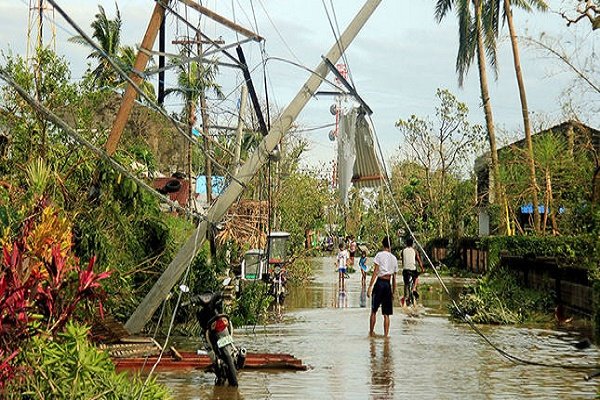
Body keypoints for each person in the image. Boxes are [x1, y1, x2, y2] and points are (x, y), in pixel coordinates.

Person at [367, 236, 398, 337]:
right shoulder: (394, 258)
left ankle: (371, 333)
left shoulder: (379, 255)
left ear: (382, 244)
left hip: (380, 283)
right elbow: (394, 278)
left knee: (374, 310)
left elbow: (375, 272)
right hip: (387, 284)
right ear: (390, 245)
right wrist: (393, 292)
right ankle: (386, 336)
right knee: (386, 314)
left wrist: (370, 287)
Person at [401, 237, 424, 307]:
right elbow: (419, 260)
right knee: (416, 277)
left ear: (406, 244)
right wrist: (422, 268)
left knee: (406, 284)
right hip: (413, 270)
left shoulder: (403, 251)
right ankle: (414, 288)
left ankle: (405, 300)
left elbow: (403, 261)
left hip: (405, 270)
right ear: (412, 244)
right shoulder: (415, 251)